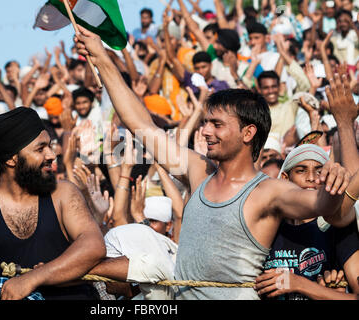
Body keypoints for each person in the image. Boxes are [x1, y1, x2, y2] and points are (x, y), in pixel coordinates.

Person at [74, 26, 357, 300]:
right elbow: (141, 125)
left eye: (217, 124)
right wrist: (101, 58)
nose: (205, 131)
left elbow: (325, 206)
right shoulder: (199, 171)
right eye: (206, 122)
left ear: (248, 133)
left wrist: (333, 180)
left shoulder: (268, 192)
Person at [0, 107, 106, 300]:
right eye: (40, 148)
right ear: (11, 159)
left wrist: (34, 278)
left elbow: (94, 245)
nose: (51, 155)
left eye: (49, 146)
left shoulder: (63, 193)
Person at [255, 143, 359, 300]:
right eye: (301, 171)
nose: (311, 178)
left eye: (319, 172)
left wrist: (300, 284)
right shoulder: (267, 225)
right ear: (284, 178)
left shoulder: (338, 228)